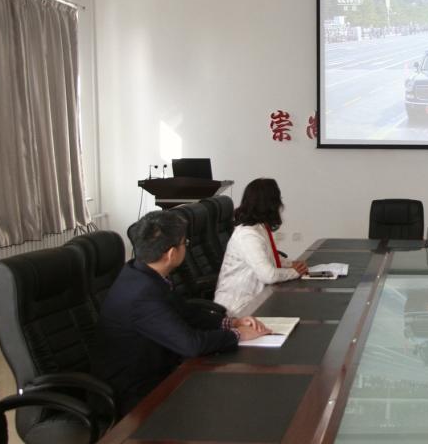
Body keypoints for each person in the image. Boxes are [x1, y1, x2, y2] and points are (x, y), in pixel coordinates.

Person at [97, 210, 268, 415]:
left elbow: (185, 311)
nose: (186, 246)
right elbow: (191, 345)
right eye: (184, 243)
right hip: (138, 393)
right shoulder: (142, 295)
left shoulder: (139, 271)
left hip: (161, 369)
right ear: (171, 254)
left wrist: (231, 323)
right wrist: (237, 335)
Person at [214, 178, 309, 316]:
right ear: (270, 204)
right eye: (278, 199)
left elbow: (269, 256)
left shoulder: (259, 228)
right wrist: (294, 272)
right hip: (237, 309)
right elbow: (268, 275)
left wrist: (291, 264)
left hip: (256, 300)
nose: (280, 204)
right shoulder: (247, 236)